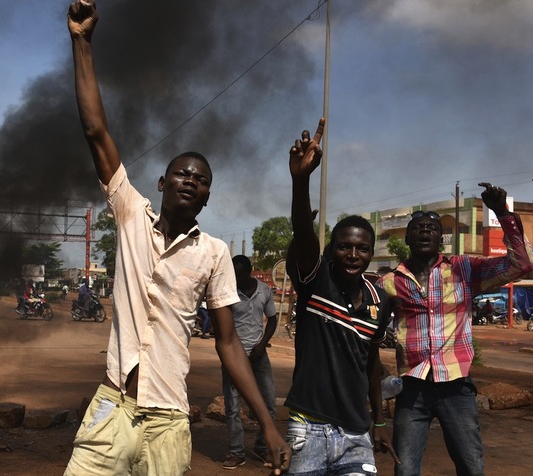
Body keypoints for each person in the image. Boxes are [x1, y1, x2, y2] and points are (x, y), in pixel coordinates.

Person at [65, 3, 290, 474]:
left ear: (207, 197)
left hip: (169, 420)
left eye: (202, 179)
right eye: (182, 173)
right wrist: (82, 42)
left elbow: (229, 344)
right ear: (162, 183)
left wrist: (266, 423)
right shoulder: (129, 212)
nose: (191, 180)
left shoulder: (214, 253)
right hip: (113, 409)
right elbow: (95, 130)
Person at [377, 183, 533, 476]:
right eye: (418, 227)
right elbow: (370, 331)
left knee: (471, 467)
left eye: (432, 227)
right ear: (408, 238)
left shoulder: (465, 269)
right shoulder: (390, 281)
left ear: (441, 239)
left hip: (457, 387)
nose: (425, 230)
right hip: (412, 388)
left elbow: (523, 264)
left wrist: (502, 212)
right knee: (405, 469)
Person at [283, 118, 398, 475]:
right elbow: (303, 231)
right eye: (344, 247)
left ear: (370, 253)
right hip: (309, 429)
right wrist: (301, 180)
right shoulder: (316, 280)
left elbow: (371, 365)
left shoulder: (380, 300)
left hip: (356, 434)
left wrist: (378, 422)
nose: (353, 255)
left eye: (361, 249)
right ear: (331, 250)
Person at [221, 254, 279, 469]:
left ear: (249, 271)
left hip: (258, 356)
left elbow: (272, 320)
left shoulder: (264, 290)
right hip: (233, 358)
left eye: (240, 274)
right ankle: (236, 452)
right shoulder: (226, 292)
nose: (237, 278)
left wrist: (263, 344)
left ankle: (262, 446)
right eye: (233, 274)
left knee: (269, 403)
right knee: (233, 407)